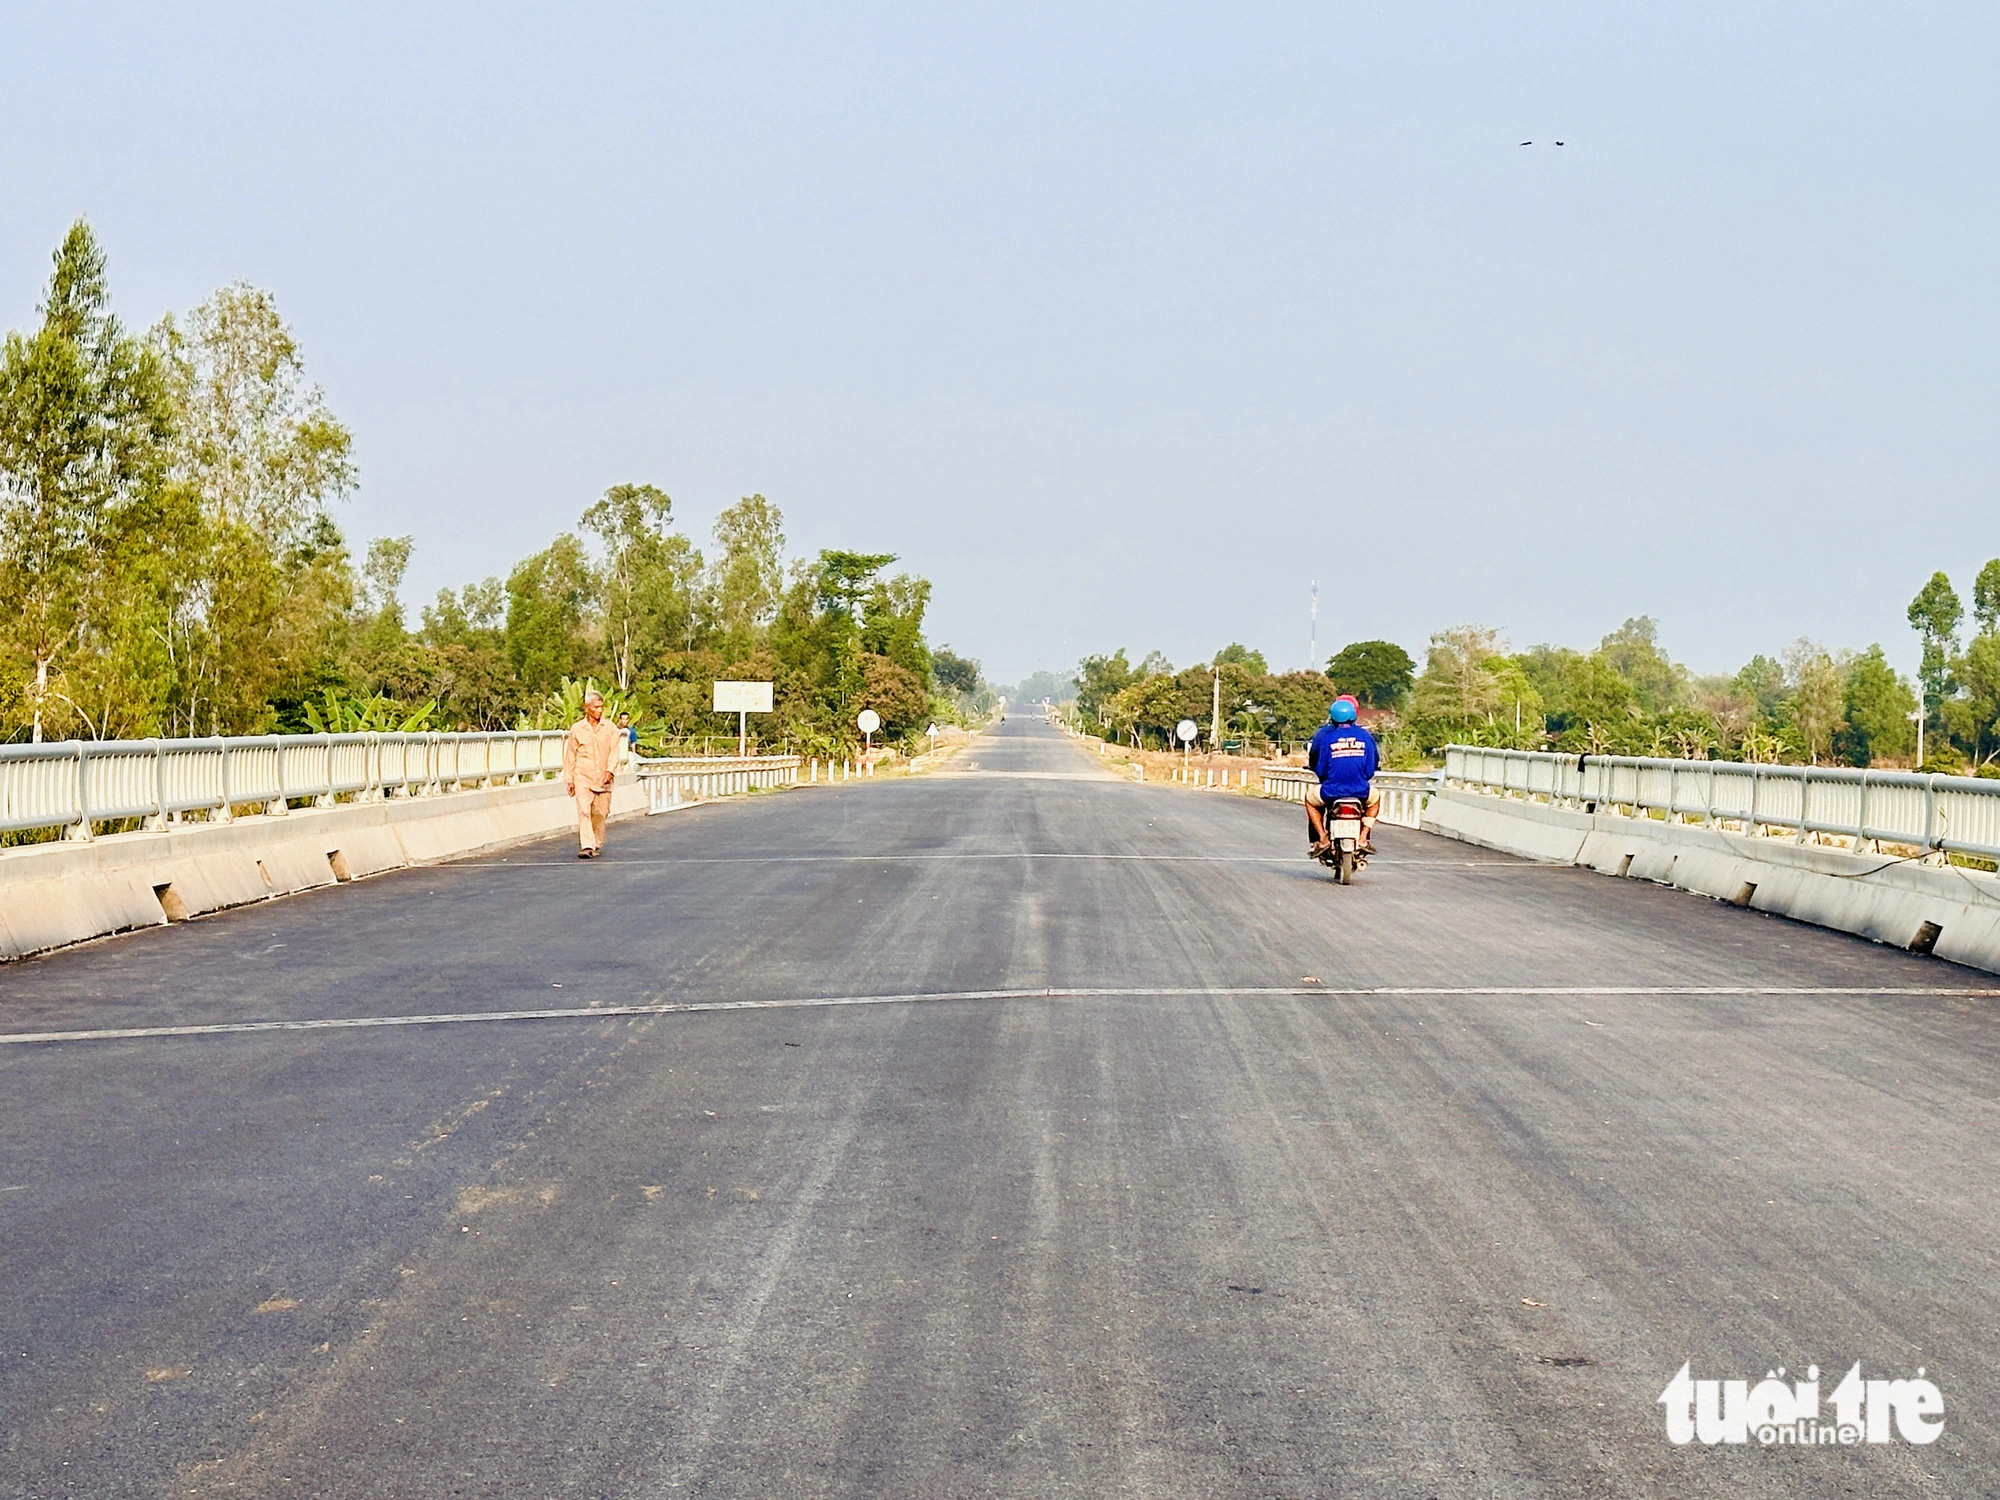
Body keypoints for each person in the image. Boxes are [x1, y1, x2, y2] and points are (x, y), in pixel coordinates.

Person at [1304, 697, 1381, 855]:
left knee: (1309, 800)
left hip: (1331, 790)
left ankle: (1322, 838)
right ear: (1355, 716)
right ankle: (1363, 838)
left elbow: (1321, 768)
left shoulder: (1327, 737)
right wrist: (1361, 777)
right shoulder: (1365, 736)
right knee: (1375, 800)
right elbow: (1371, 767)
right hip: (1360, 790)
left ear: (1332, 717)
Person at [562, 690, 624, 859]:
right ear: (587, 708)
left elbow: (614, 752)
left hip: (603, 778)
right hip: (583, 776)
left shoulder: (610, 728)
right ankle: (587, 845)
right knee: (584, 811)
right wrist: (569, 779)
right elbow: (570, 755)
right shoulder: (577, 729)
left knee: (600, 813)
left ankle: (596, 843)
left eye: (601, 707)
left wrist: (610, 771)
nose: (599, 710)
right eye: (596, 707)